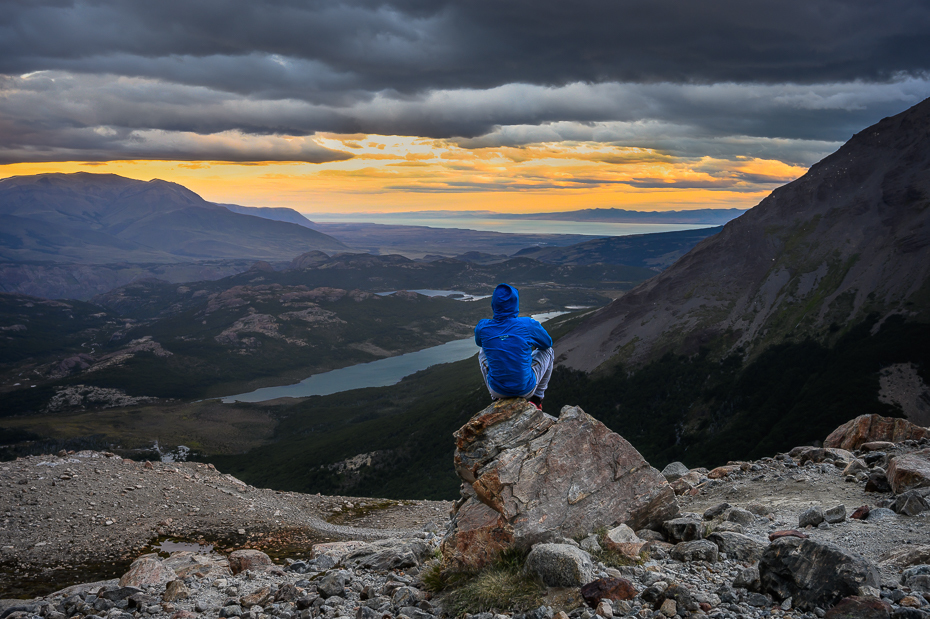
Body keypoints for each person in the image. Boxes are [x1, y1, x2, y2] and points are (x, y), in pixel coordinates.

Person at [475, 283, 554, 410]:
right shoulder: (528, 325)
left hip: (496, 389)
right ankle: (537, 399)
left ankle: (496, 398)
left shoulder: (482, 327)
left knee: (482, 350)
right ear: (515, 303)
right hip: (525, 389)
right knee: (549, 351)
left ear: (493, 304)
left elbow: (480, 343)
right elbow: (547, 343)